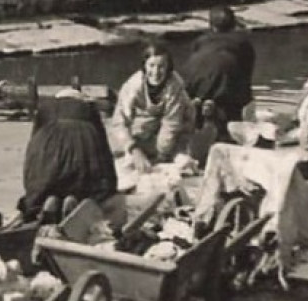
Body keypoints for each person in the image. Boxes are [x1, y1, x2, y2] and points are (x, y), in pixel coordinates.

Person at [17, 87, 118, 224]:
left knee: (44, 185)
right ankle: (75, 201)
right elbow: (102, 144)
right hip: (84, 148)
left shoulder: (45, 107)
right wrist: (110, 182)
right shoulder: (89, 109)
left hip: (49, 154)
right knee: (89, 188)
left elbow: (33, 144)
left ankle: (45, 204)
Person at [107, 42, 194, 166]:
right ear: (144, 66)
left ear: (168, 67)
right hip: (147, 125)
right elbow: (119, 122)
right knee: (123, 154)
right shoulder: (133, 86)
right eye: (151, 65)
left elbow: (172, 124)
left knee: (182, 161)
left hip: (178, 126)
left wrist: (161, 156)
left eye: (161, 66)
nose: (156, 72)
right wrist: (134, 149)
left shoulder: (175, 86)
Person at [181, 6, 256, 131]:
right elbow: (246, 75)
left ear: (211, 26)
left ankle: (202, 107)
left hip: (195, 89)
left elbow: (194, 67)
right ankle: (218, 110)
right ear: (234, 24)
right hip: (225, 92)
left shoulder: (200, 41)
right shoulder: (243, 43)